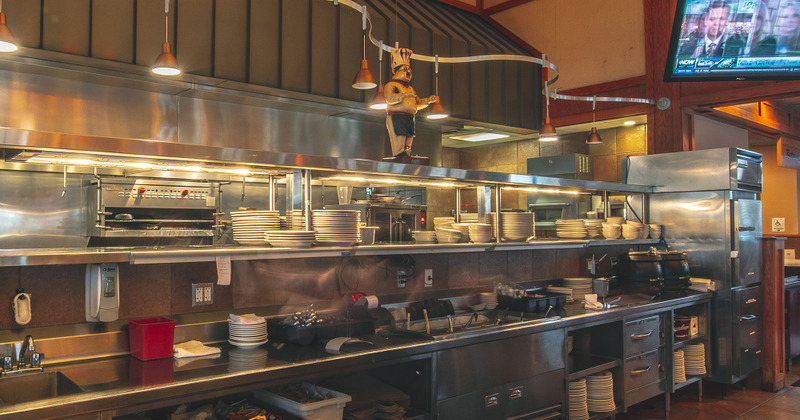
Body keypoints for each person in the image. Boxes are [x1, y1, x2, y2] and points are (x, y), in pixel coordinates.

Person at [384, 47, 438, 157]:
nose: (408, 72)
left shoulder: (410, 88)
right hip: (397, 116)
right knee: (400, 139)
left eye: (409, 70)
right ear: (396, 71)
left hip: (410, 117)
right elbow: (389, 99)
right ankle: (400, 154)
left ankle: (407, 153)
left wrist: (428, 101)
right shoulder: (391, 85)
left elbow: (417, 103)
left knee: (409, 139)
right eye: (404, 69)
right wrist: (404, 96)